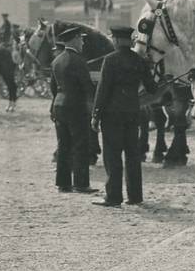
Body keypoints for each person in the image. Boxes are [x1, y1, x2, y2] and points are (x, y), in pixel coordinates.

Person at [91, 27, 157, 207]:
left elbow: (103, 89)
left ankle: (113, 197)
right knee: (133, 155)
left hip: (112, 114)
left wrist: (96, 114)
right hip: (132, 112)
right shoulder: (139, 60)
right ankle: (135, 196)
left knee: (112, 156)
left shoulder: (110, 60)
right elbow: (151, 88)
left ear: (118, 41)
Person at [50, 26, 97, 194]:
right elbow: (87, 86)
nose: (83, 42)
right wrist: (95, 104)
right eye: (81, 39)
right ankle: (81, 184)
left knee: (63, 145)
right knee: (81, 145)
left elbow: (53, 87)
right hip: (76, 107)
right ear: (75, 40)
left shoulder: (57, 60)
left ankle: (63, 184)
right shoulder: (78, 61)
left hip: (59, 105)